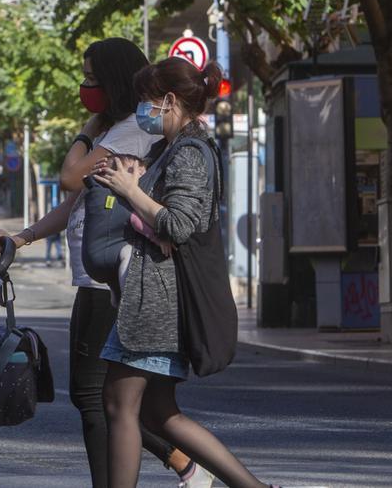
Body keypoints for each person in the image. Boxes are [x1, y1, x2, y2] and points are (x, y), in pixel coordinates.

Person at [0, 38, 212, 488]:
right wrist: (24, 236)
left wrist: (86, 129)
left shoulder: (132, 131)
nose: (85, 85)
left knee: (102, 400)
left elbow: (71, 175)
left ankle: (182, 467)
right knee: (110, 401)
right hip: (94, 277)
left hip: (111, 279)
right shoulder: (117, 129)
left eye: (92, 77)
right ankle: (186, 466)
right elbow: (75, 202)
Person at [92, 58, 272, 488]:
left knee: (119, 404)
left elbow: (178, 225)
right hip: (152, 294)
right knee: (158, 413)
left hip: (158, 300)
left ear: (168, 101)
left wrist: (131, 191)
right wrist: (135, 186)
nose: (142, 109)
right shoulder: (172, 149)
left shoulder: (190, 152)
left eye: (146, 100)